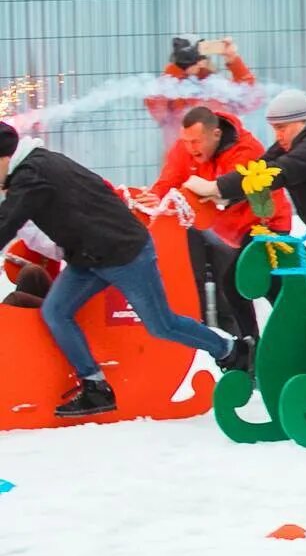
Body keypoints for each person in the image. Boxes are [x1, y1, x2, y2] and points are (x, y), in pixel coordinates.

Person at [0, 122, 247, 416]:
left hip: (124, 252)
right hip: (88, 256)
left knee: (160, 324)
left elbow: (7, 221)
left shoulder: (33, 176)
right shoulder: (36, 166)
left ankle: (230, 349)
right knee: (56, 311)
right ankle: (95, 387)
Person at [152, 105, 295, 346]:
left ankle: (261, 343)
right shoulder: (184, 148)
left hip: (265, 225)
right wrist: (153, 199)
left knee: (238, 282)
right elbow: (168, 181)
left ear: (216, 134)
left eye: (196, 142)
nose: (190, 148)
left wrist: (208, 192)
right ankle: (256, 343)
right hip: (226, 232)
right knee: (251, 285)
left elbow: (232, 193)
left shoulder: (246, 149)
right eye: (186, 142)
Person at [192, 87, 306, 231]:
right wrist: (229, 196)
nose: (278, 136)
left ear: (302, 121)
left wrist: (216, 186)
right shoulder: (300, 137)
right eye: (275, 129)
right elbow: (262, 166)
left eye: (281, 128)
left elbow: (282, 170)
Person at [144, 34, 258, 143]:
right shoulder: (171, 88)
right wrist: (179, 68)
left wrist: (232, 58)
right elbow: (157, 109)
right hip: (184, 155)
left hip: (220, 153)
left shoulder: (213, 85)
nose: (201, 62)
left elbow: (248, 95)